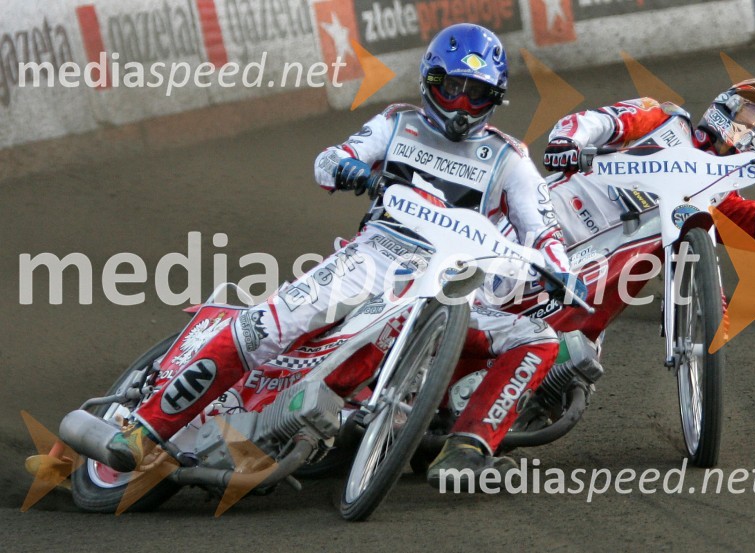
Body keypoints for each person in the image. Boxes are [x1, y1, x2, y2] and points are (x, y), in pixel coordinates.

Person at [100, 24, 585, 490]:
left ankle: (469, 445)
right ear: (429, 82)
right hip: (372, 259)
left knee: (539, 338)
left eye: (475, 94)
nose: (461, 105)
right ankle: (146, 427)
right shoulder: (398, 123)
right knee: (261, 329)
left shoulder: (509, 158)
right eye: (451, 87)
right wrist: (361, 175)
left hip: (449, 289)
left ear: (494, 99)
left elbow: (543, 229)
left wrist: (560, 268)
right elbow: (327, 161)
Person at [541, 77, 755, 251]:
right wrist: (567, 141)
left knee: (571, 341)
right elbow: (602, 120)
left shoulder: (722, 196)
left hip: (588, 274)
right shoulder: (663, 118)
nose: (749, 131)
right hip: (546, 215)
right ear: (729, 105)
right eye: (750, 117)